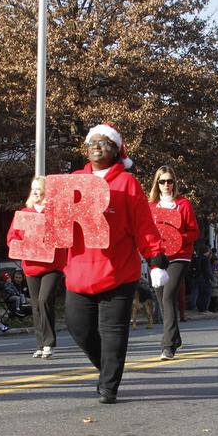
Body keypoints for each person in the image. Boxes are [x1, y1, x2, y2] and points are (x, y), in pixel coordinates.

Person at [64, 124, 167, 403]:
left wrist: (155, 261)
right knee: (78, 327)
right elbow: (58, 226)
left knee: (112, 332)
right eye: (93, 141)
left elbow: (143, 226)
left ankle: (109, 385)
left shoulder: (127, 183)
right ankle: (107, 368)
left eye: (105, 142)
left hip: (117, 271)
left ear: (116, 150)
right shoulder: (73, 180)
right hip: (79, 272)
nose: (98, 146)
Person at [7, 176, 66, 359]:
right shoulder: (24, 213)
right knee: (36, 305)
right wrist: (18, 245)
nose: (35, 191)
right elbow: (12, 237)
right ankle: (40, 344)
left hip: (53, 266)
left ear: (47, 191)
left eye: (38, 188)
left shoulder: (56, 213)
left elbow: (65, 238)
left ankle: (49, 343)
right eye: (32, 188)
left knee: (44, 300)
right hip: (31, 267)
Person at [148, 165, 199, 360]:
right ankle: (175, 338)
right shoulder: (151, 206)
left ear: (174, 183)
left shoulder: (183, 204)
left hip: (180, 255)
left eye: (170, 181)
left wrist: (177, 237)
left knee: (169, 296)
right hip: (158, 256)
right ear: (157, 183)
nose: (166, 185)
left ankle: (168, 345)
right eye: (162, 181)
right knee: (161, 299)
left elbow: (195, 232)